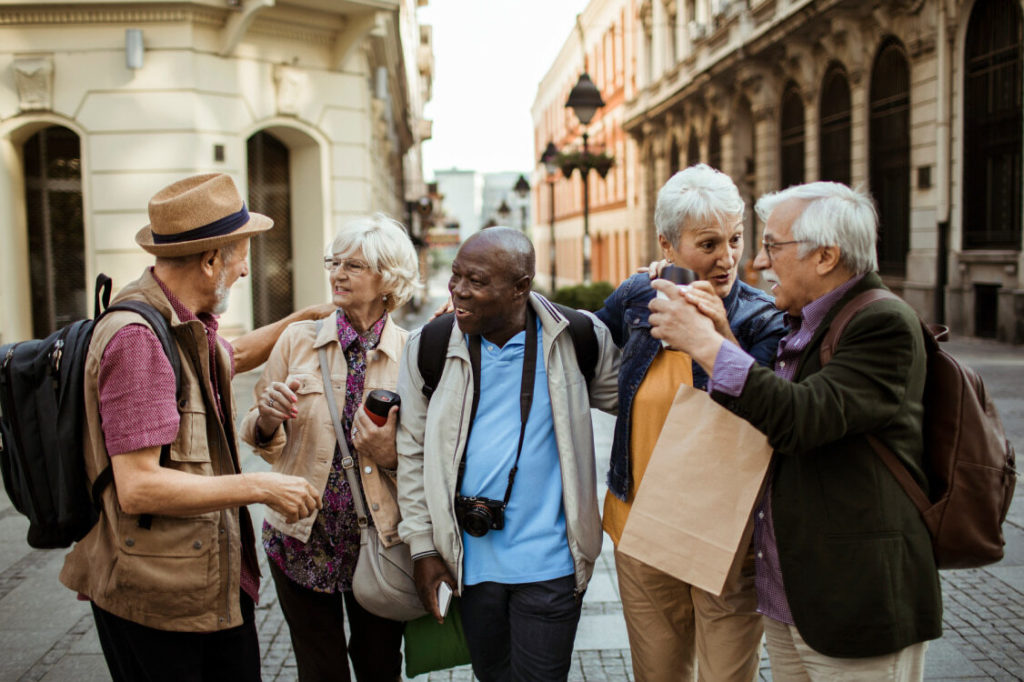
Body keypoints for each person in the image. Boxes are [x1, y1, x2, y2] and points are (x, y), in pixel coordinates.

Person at [648, 181, 942, 680]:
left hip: (853, 602)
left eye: (771, 247)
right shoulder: (806, 322)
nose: (757, 263)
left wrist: (706, 345)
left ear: (825, 256)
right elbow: (765, 415)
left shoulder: (882, 321)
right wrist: (720, 333)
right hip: (792, 599)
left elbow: (803, 418)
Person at [59, 172, 328, 682]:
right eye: (242, 254)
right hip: (161, 597)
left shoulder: (179, 323)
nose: (247, 270)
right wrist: (262, 485)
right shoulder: (140, 342)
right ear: (210, 262)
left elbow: (235, 355)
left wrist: (308, 317)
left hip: (191, 580)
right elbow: (138, 487)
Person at [395, 227, 620, 682]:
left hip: (552, 564)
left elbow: (637, 403)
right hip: (469, 566)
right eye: (456, 276)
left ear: (521, 287)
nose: (458, 290)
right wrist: (423, 549)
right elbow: (412, 453)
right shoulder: (430, 346)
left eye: (475, 281)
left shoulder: (576, 337)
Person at [594, 164, 787, 682]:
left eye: (735, 239)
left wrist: (719, 335)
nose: (727, 259)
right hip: (637, 523)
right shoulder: (639, 297)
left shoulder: (762, 318)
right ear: (668, 244)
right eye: (708, 244)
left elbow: (763, 412)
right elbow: (582, 338)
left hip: (725, 534)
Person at [240, 214, 420, 682]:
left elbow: (431, 459)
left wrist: (390, 456)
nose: (337, 274)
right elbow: (258, 433)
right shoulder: (297, 341)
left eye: (354, 266)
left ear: (388, 279)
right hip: (300, 538)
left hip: (379, 541)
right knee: (319, 668)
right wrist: (267, 419)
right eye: (334, 262)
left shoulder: (414, 354)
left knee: (379, 664)